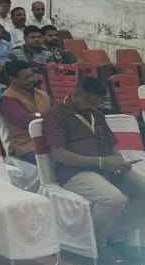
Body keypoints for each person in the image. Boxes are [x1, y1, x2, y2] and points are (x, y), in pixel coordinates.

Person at [43, 78, 145, 262]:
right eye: (90, 102)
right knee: (114, 199)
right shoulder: (55, 115)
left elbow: (112, 145)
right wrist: (101, 162)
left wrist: (118, 161)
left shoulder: (96, 114)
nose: (94, 106)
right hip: (75, 173)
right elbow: (58, 154)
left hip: (106, 168)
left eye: (97, 103)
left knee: (143, 190)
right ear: (77, 94)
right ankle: (98, 245)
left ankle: (117, 236)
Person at [0, 60, 51, 164]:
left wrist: (39, 115)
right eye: (26, 77)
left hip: (50, 140)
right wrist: (48, 116)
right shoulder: (7, 99)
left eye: (32, 75)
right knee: (58, 160)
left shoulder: (42, 94)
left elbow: (57, 113)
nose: (32, 79)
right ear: (12, 79)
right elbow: (27, 121)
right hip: (26, 147)